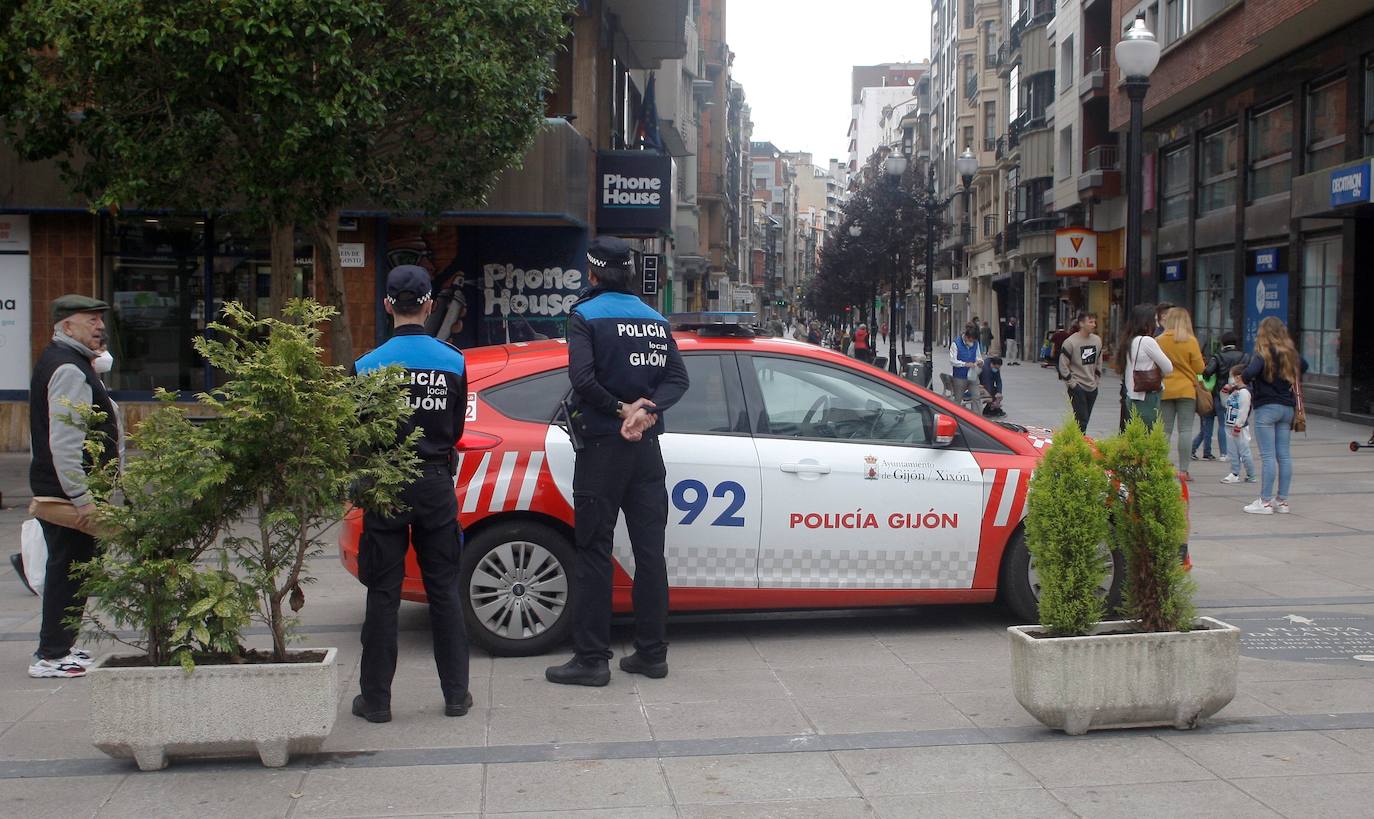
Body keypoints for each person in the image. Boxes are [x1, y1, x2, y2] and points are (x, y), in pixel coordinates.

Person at [546, 236, 689, 687]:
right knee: (650, 554)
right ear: (628, 273)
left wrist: (621, 410)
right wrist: (646, 412)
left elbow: (582, 380)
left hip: (602, 448)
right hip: (646, 451)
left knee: (593, 552)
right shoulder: (655, 319)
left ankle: (591, 659)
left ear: (591, 274)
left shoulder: (584, 316)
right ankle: (652, 654)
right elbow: (678, 379)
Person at [350, 265, 471, 723]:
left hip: (386, 485)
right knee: (444, 591)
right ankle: (456, 696)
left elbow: (356, 434)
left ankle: (376, 701)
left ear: (387, 305)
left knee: (383, 594)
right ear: (429, 304)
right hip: (435, 483)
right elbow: (455, 429)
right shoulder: (453, 361)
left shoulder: (366, 366)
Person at [26, 295, 124, 678]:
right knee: (68, 569)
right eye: (90, 320)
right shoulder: (68, 367)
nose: (100, 327)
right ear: (66, 326)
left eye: (100, 320)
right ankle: (51, 655)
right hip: (67, 493)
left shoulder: (69, 361)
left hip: (64, 488)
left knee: (74, 569)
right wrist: (82, 498)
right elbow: (65, 442)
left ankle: (61, 645)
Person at [1242, 316, 1308, 515]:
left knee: (1268, 456)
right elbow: (1304, 366)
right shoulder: (1290, 354)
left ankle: (1264, 502)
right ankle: (1282, 500)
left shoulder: (1263, 354)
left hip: (1267, 408)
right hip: (1287, 408)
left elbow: (1247, 374)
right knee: (1284, 455)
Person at [1156, 307, 1206, 479]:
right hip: (1186, 389)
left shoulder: (1159, 340)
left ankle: (1161, 466)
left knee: (1165, 430)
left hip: (1165, 388)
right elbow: (1200, 368)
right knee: (1185, 430)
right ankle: (1183, 470)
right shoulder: (1191, 341)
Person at [1117, 303, 1172, 428]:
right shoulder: (1147, 341)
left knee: (1136, 432)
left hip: (1131, 394)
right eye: (1155, 320)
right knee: (1149, 432)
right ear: (1146, 322)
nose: (1157, 325)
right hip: (1147, 395)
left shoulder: (1129, 340)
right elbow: (1168, 367)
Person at [1195, 330, 1247, 461]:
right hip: (1239, 392)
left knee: (1219, 423)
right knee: (1235, 422)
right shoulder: (1244, 356)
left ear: (1223, 343)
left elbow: (1207, 372)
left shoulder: (1218, 357)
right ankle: (1232, 452)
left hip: (1220, 393)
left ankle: (1219, 452)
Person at [1057, 311, 1103, 433]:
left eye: (1094, 322)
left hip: (1092, 387)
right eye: (1090, 322)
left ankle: (1076, 439)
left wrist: (1096, 380)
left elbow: (1099, 361)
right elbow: (1063, 365)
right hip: (1077, 386)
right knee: (1081, 420)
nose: (1094, 325)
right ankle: (1077, 441)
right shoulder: (1070, 342)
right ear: (1081, 323)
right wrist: (1072, 384)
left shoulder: (1097, 340)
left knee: (1085, 420)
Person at [1219, 365, 1256, 484]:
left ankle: (1251, 474)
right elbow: (1226, 404)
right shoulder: (1235, 392)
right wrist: (1224, 392)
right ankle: (1234, 473)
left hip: (1239, 427)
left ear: (1238, 377)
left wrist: (1238, 425)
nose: (1230, 379)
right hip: (1229, 424)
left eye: (1232, 376)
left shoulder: (1244, 392)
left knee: (1244, 451)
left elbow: (1244, 410)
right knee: (1232, 451)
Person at [949, 323, 983, 410]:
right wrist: (964, 364)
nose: (972, 342)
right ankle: (955, 415)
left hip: (973, 375)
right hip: (959, 376)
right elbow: (952, 360)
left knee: (976, 397)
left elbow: (978, 356)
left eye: (974, 341)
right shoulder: (956, 343)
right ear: (966, 337)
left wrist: (980, 361)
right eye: (971, 340)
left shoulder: (976, 343)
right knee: (958, 399)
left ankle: (976, 416)